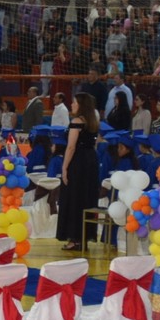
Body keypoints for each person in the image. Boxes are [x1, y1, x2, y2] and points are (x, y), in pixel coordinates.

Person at [57, 94, 101, 252]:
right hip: (91, 161)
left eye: (74, 102)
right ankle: (84, 237)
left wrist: (64, 167)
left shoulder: (76, 122)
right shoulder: (93, 122)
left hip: (78, 162)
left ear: (81, 104)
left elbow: (71, 147)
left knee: (73, 198)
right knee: (86, 198)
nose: (72, 104)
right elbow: (95, 143)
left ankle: (74, 238)